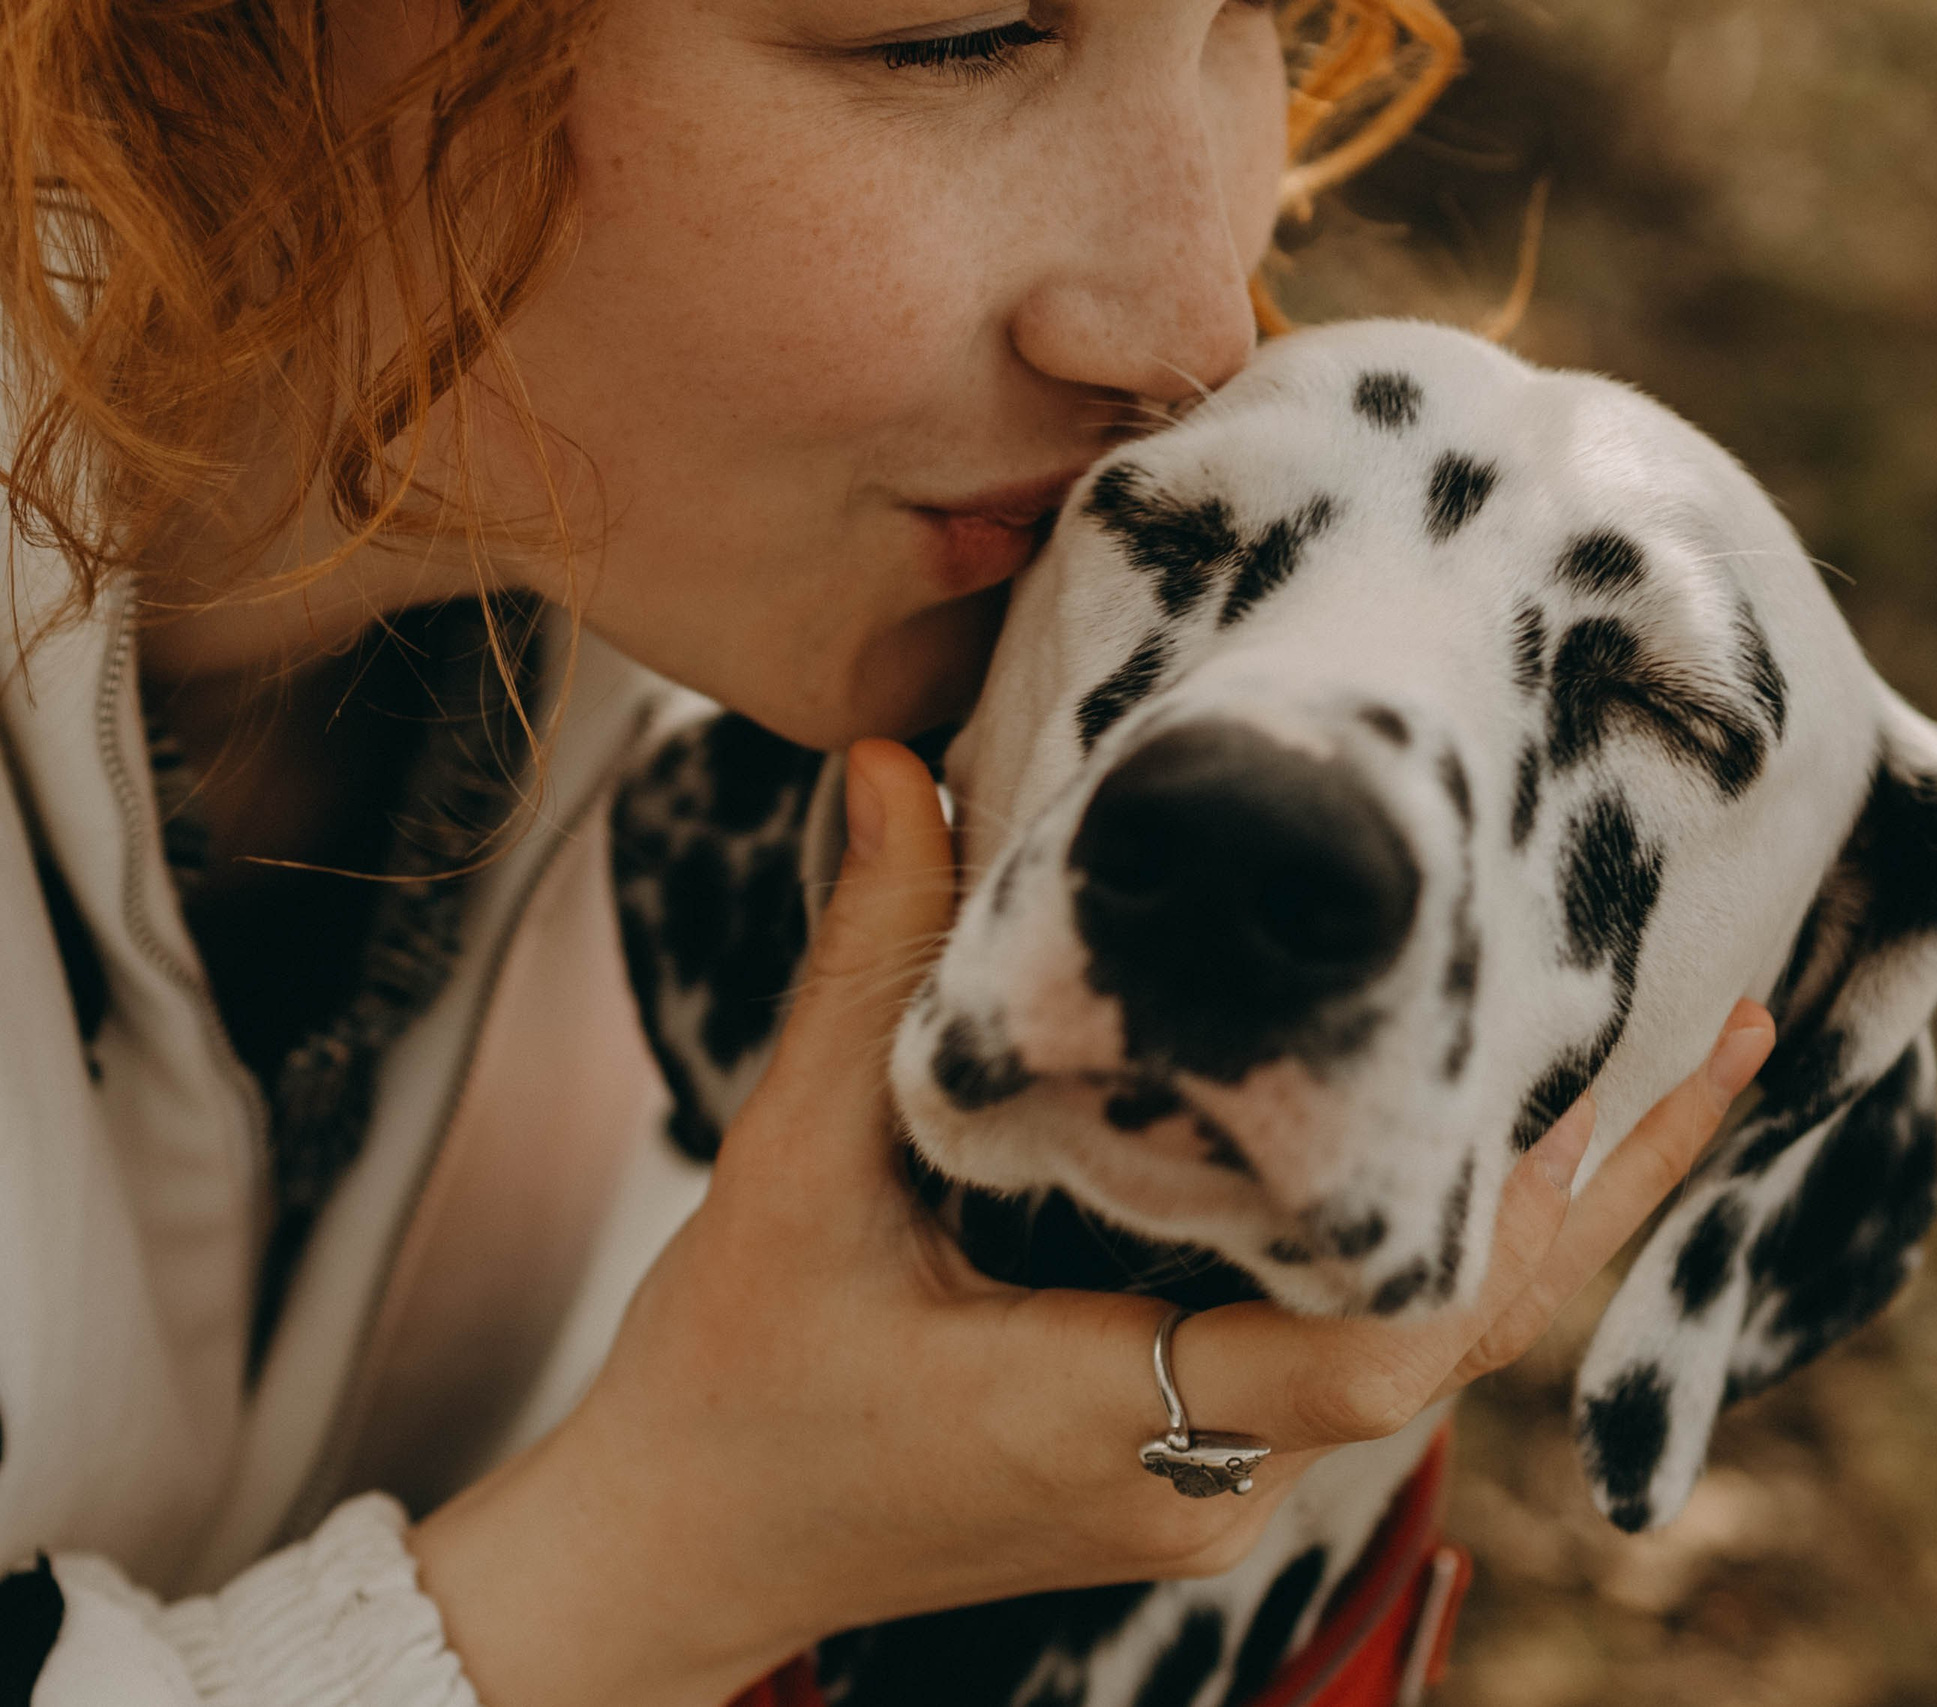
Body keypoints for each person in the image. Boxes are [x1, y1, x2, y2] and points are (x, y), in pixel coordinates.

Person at [0, 2, 1778, 1704]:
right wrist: (677, 1552)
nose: (1194, 329)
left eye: (1265, 6)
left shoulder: (785, 672)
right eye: (949, 32)